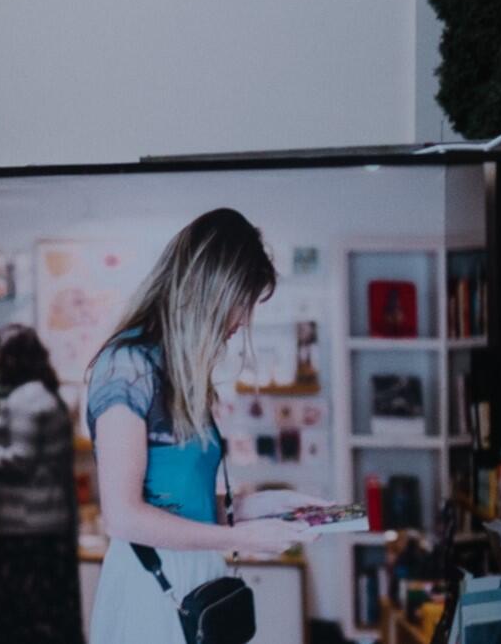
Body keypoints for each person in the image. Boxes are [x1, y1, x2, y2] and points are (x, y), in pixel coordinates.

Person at [82, 211, 325, 644]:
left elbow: (181, 503)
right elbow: (122, 516)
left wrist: (264, 505)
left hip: (194, 579)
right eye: (243, 302)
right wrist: (238, 535)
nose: (244, 321)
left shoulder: (175, 369)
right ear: (210, 291)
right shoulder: (127, 368)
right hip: (151, 588)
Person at [0, 328, 80, 644]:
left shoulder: (25, 400)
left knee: (20, 626)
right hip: (46, 529)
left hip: (26, 531)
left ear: (13, 359)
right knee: (49, 621)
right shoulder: (46, 395)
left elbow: (19, 461)